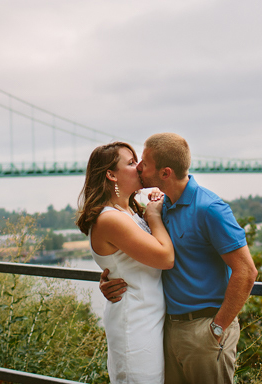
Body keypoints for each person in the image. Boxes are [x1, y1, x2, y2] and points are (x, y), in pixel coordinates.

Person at [100, 133, 258, 384]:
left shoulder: (210, 209)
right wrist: (113, 275)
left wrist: (217, 329)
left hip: (204, 330)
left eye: (144, 162)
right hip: (165, 330)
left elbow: (247, 272)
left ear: (165, 173)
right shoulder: (162, 206)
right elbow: (139, 255)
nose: (139, 166)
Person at [76, 141, 175, 384]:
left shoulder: (129, 212)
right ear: (111, 175)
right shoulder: (110, 219)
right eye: (131, 163)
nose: (140, 167)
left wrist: (155, 205)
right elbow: (165, 258)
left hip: (150, 319)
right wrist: (153, 216)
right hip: (134, 324)